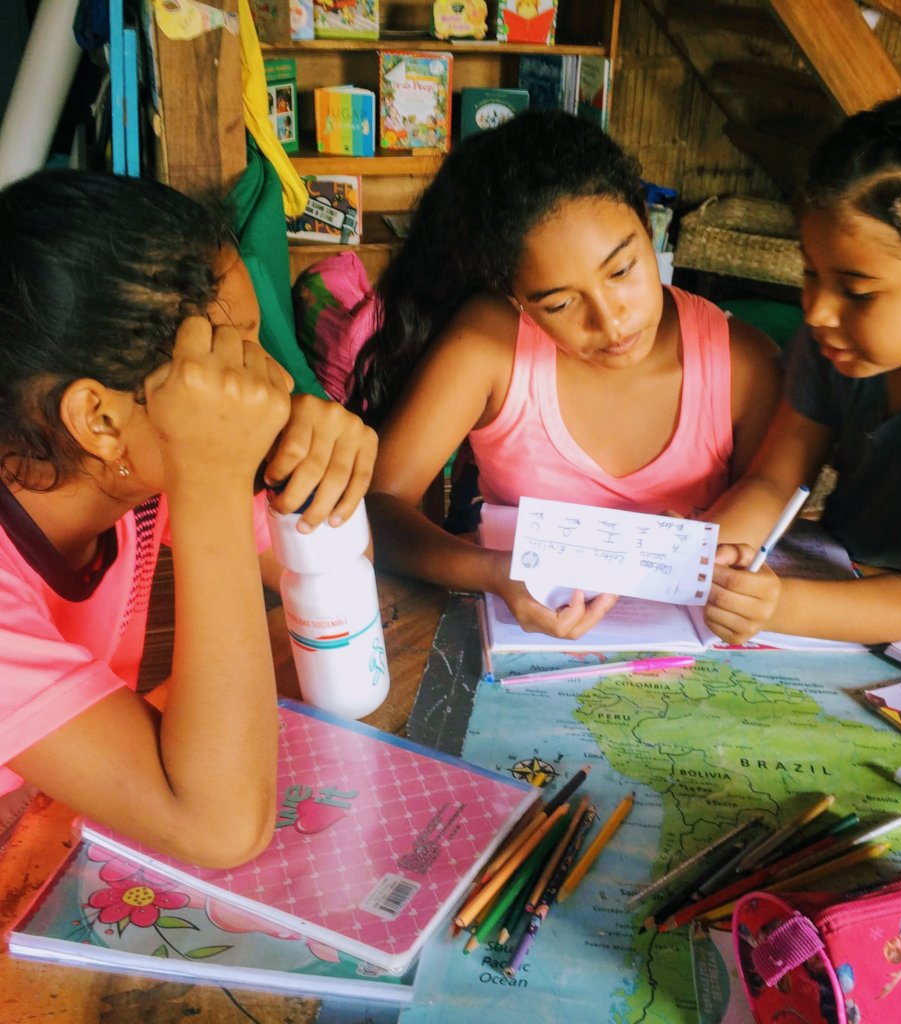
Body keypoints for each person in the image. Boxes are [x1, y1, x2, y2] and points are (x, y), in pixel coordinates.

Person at [0, 169, 377, 867]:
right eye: (228, 367)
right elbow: (221, 826)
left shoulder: (138, 465)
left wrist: (316, 464)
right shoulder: (184, 468)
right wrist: (211, 477)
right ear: (100, 418)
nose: (267, 382)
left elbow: (335, 605)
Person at [358, 111, 781, 640]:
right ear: (517, 301)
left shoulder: (741, 364)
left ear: (650, 230)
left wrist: (734, 577)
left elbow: (771, 510)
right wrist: (495, 572)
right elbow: (377, 508)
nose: (611, 320)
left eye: (622, 270)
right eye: (560, 303)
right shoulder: (491, 346)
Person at [705, 92, 901, 646]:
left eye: (857, 291)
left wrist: (778, 602)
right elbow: (773, 480)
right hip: (844, 581)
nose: (817, 311)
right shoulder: (839, 340)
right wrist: (699, 552)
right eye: (810, 272)